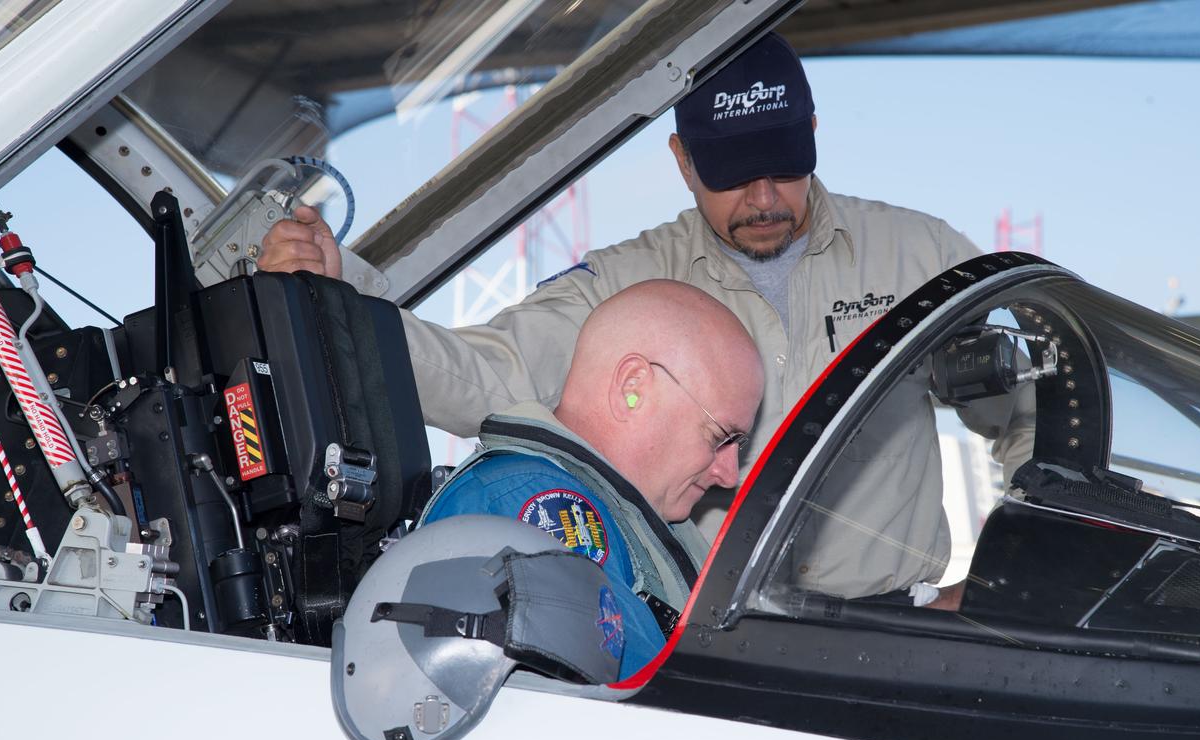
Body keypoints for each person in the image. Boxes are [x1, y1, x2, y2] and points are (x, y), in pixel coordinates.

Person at [260, 33, 1028, 606]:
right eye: (732, 173)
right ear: (683, 162)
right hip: (715, 632)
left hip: (895, 623)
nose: (763, 197)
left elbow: (1031, 414)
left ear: (814, 134)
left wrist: (998, 575)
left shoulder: (920, 253)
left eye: (785, 164)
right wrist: (343, 289)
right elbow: (481, 377)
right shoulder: (626, 281)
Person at [417, 279, 764, 679]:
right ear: (632, 388)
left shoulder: (632, 514)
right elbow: (653, 708)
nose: (729, 474)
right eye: (720, 437)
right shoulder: (529, 509)